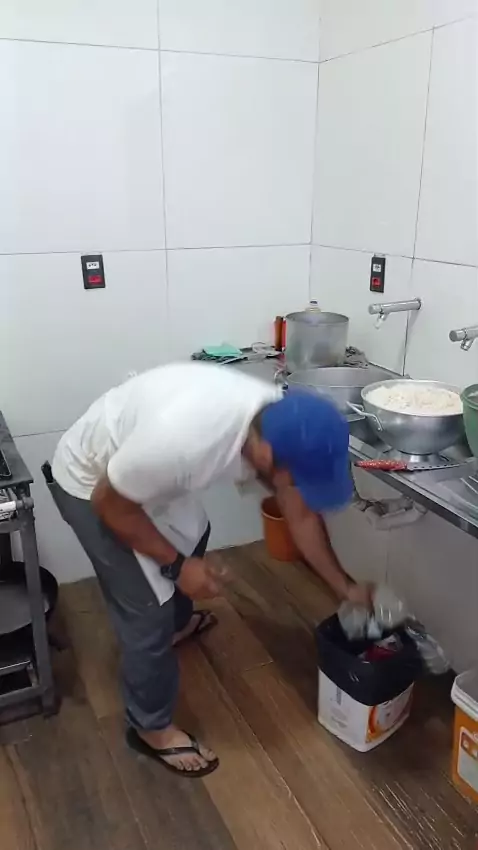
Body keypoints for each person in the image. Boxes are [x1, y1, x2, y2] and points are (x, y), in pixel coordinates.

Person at [45, 362, 369, 778]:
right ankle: (150, 728)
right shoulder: (183, 442)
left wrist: (346, 588)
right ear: (267, 456)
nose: (302, 488)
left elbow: (301, 514)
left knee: (194, 531)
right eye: (301, 479)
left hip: (139, 470)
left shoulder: (279, 422)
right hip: (91, 482)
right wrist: (179, 568)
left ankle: (176, 627)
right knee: (147, 610)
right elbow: (111, 506)